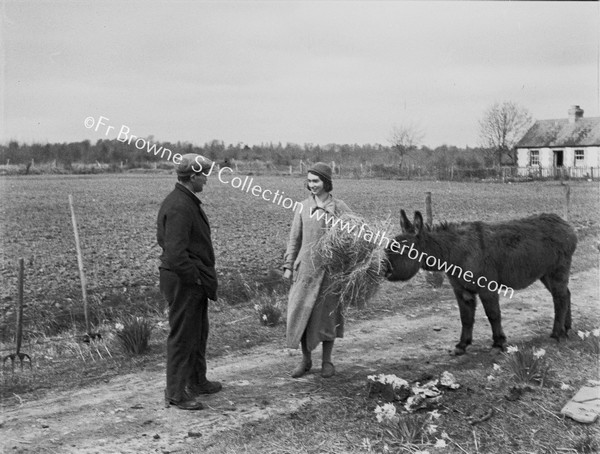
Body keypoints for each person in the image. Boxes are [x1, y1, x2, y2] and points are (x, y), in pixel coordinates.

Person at [156, 153, 222, 410]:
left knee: (198, 332)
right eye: (203, 175)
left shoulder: (186, 201)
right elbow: (175, 253)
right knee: (183, 336)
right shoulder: (179, 206)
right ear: (193, 176)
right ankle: (176, 393)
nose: (206, 180)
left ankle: (196, 381)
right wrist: (194, 278)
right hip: (184, 280)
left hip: (191, 279)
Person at [283, 162, 351, 378]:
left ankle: (327, 362)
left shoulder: (339, 208)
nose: (312, 185)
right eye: (309, 181)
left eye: (316, 181)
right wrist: (288, 266)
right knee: (303, 313)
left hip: (331, 273)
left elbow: (355, 234)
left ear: (326, 182)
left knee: (328, 316)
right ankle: (305, 360)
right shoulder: (302, 207)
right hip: (306, 271)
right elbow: (294, 239)